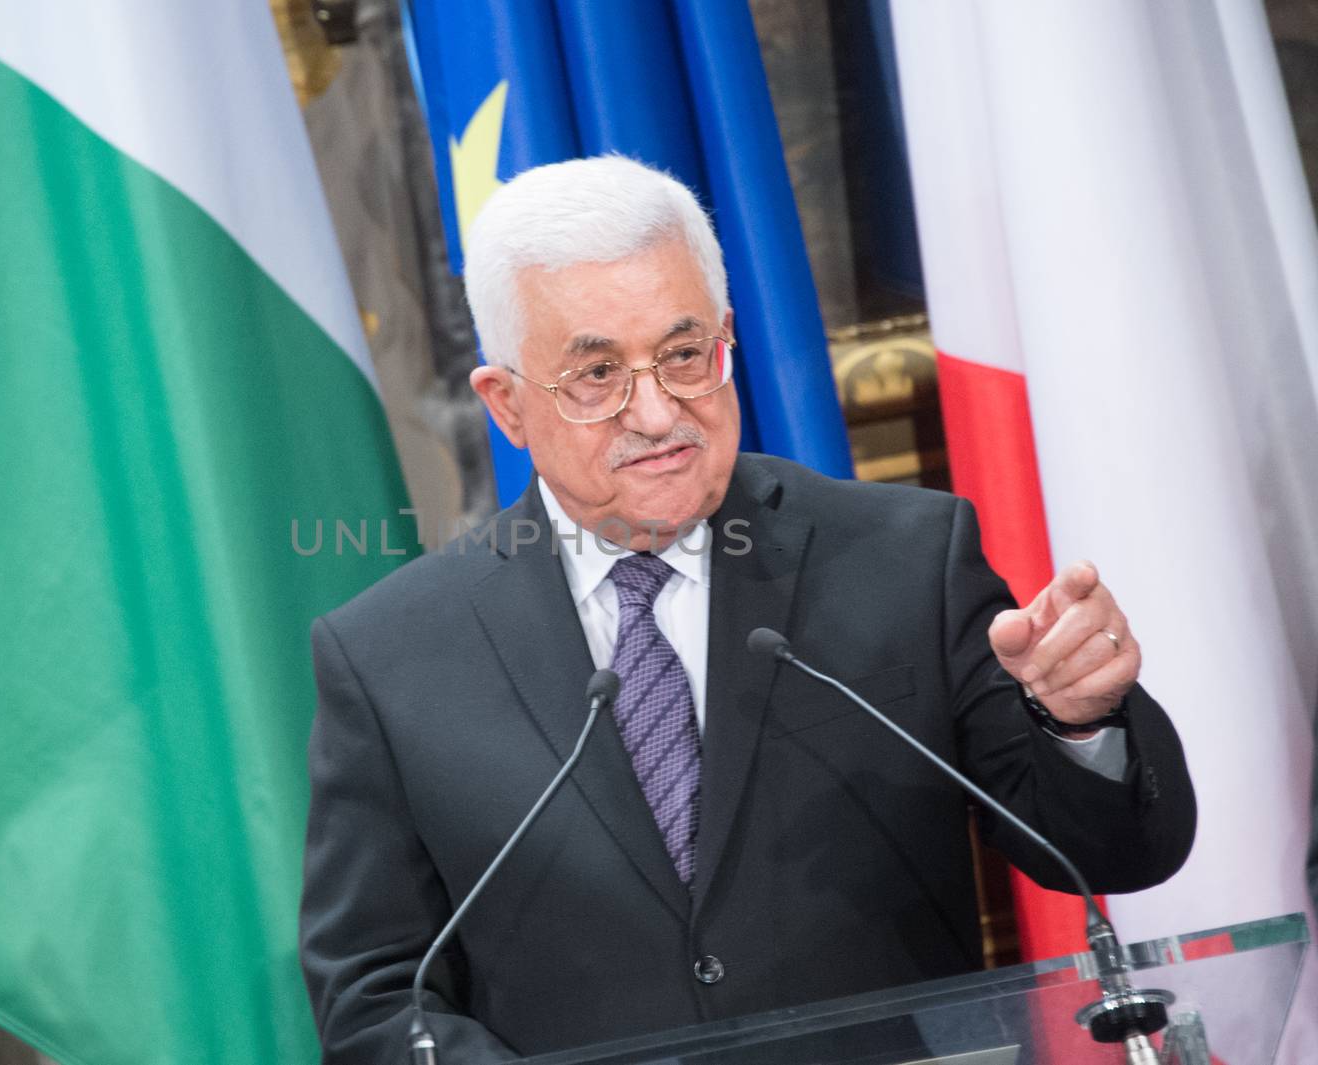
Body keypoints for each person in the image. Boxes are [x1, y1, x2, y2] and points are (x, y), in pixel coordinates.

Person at [299, 155, 1195, 1063]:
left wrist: (1078, 724)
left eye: (685, 356)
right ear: (507, 405)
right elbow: (375, 994)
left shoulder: (906, 559)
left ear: (727, 340)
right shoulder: (390, 659)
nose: (655, 412)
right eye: (597, 375)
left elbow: (1112, 853)